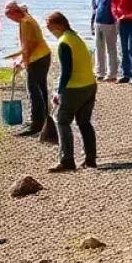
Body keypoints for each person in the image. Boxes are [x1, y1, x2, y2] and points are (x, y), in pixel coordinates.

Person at [46, 11, 97, 172]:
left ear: (59, 25)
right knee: (84, 122)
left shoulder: (64, 42)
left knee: (62, 120)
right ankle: (90, 158)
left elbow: (66, 71)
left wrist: (58, 92)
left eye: (50, 28)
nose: (50, 32)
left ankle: (67, 159)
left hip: (75, 88)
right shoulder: (76, 37)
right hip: (90, 84)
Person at [4, 0, 51, 136]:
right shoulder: (27, 20)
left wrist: (23, 61)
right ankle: (43, 120)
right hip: (43, 55)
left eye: (10, 17)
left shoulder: (26, 22)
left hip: (37, 58)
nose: (12, 20)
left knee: (34, 90)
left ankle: (36, 123)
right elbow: (28, 45)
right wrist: (19, 57)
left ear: (15, 12)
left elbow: (30, 45)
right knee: (41, 89)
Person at [91, 0, 118, 82]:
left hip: (110, 23)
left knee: (111, 48)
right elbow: (94, 10)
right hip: (98, 23)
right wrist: (91, 24)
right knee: (99, 47)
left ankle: (112, 73)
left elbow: (117, 7)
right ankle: (100, 71)